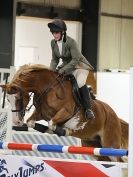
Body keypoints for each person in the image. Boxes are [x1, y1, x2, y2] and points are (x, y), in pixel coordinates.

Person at [47, 19, 95, 120]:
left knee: (80, 82)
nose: (54, 35)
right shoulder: (53, 43)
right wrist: (50, 71)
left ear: (62, 32)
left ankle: (88, 109)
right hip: (67, 66)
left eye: (56, 32)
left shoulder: (71, 42)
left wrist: (63, 69)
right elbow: (55, 59)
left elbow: (76, 59)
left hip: (80, 66)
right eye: (53, 33)